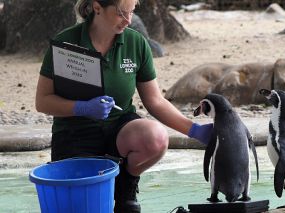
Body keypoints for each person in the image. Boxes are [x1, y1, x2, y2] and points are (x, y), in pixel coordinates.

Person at [35, 0, 213, 212]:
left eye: (131, 12)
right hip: (74, 135)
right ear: (97, 7)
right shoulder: (66, 42)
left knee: (155, 137)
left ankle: (125, 190)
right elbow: (42, 101)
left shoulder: (136, 43)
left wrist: (195, 130)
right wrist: (81, 107)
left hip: (119, 131)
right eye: (121, 13)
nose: (128, 21)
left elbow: (155, 101)